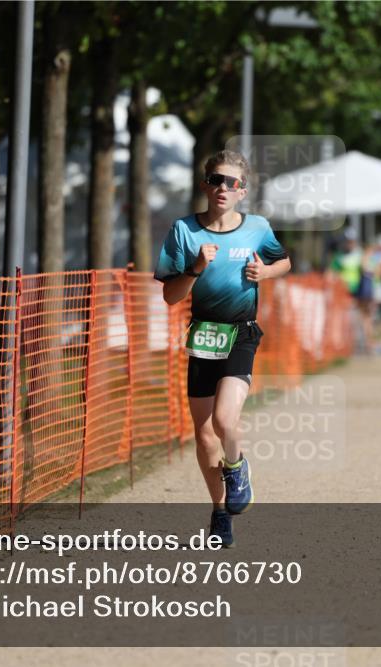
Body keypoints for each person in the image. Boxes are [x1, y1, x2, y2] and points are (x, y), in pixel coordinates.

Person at [154, 150, 291, 547]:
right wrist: (195, 268)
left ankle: (237, 468)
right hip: (203, 335)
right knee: (203, 436)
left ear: (242, 191)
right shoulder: (183, 231)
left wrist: (265, 271)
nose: (223, 189)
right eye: (216, 180)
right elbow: (169, 296)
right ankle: (220, 512)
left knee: (224, 420)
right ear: (205, 184)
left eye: (232, 183)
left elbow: (284, 262)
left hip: (242, 332)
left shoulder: (258, 227)